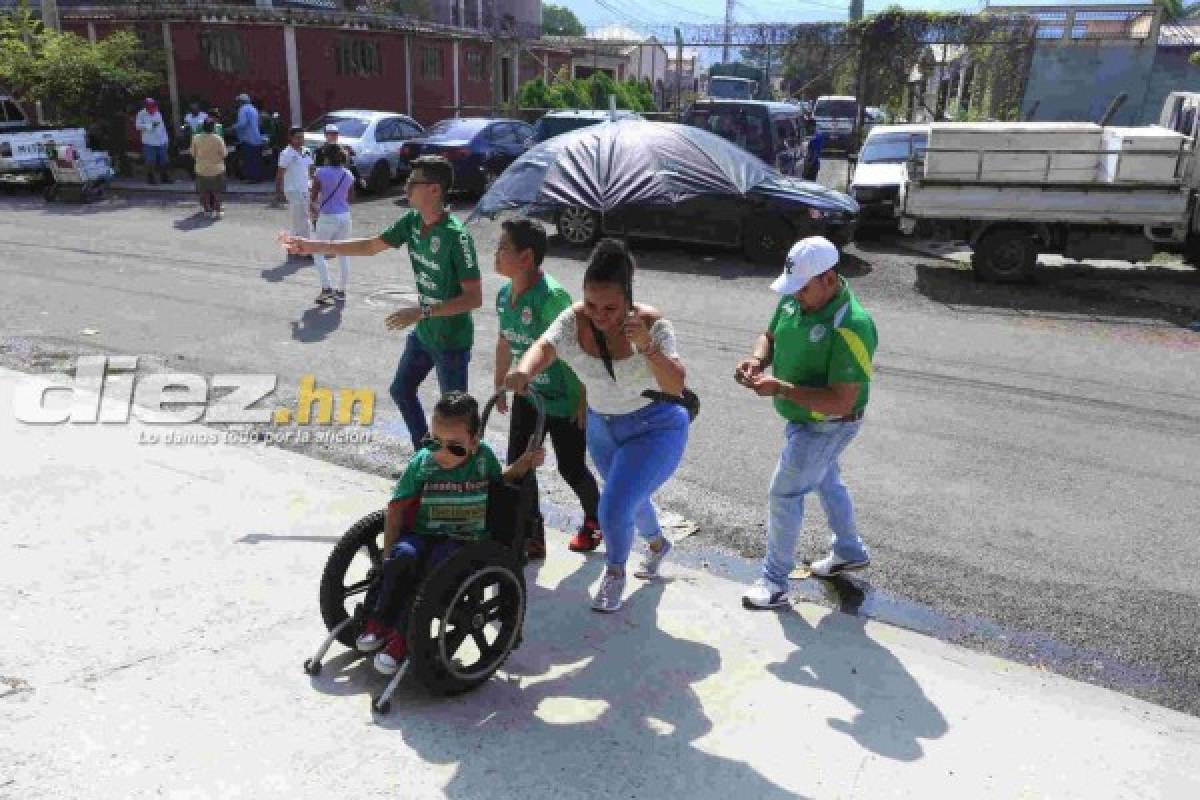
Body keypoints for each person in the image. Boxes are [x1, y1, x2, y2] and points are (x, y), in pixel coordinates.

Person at [505, 239, 690, 613]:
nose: (599, 314)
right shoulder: (575, 319)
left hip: (655, 427)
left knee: (612, 507)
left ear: (628, 301)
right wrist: (523, 370)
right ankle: (657, 545)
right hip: (602, 428)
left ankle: (615, 572)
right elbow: (545, 345)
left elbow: (675, 385)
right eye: (591, 304)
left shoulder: (653, 324)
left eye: (611, 307)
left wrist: (647, 347)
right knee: (627, 500)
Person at [279, 155, 482, 450]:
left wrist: (422, 311)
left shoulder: (456, 237)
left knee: (457, 419)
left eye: (414, 182)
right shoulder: (412, 222)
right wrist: (314, 246)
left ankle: (468, 475)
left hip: (451, 340)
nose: (407, 186)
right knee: (401, 390)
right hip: (425, 333)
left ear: (434, 190)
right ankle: (425, 455)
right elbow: (370, 246)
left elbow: (474, 298)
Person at [355, 391, 544, 674]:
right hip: (423, 534)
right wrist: (386, 556)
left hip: (463, 542)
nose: (442, 454)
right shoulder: (423, 462)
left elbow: (501, 485)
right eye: (434, 442)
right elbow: (395, 508)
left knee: (432, 572)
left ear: (474, 441)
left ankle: (403, 639)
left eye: (455, 447)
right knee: (402, 557)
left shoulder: (483, 459)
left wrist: (523, 465)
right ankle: (379, 623)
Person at [735, 236, 878, 610]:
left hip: (830, 423)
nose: (795, 296)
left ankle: (774, 581)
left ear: (829, 279)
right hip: (806, 419)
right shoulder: (797, 295)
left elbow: (841, 399)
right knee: (826, 481)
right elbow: (769, 335)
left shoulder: (853, 325)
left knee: (784, 492)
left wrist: (780, 389)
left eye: (802, 289)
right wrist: (756, 360)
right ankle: (849, 550)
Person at [493, 217, 602, 560]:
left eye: (502, 248)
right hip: (529, 396)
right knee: (520, 464)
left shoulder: (552, 297)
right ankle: (531, 535)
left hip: (565, 400)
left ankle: (595, 521)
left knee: (571, 468)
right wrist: (501, 383)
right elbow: (505, 341)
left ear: (526, 258)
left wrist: (585, 396)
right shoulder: (503, 295)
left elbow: (580, 347)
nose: (495, 254)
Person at [309, 144, 355, 305]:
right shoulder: (348, 174)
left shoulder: (320, 172)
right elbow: (350, 197)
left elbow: (313, 195)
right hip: (345, 216)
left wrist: (313, 210)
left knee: (317, 252)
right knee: (343, 253)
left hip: (328, 216)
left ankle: (326, 288)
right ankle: (341, 291)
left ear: (327, 157)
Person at [275, 126, 314, 245]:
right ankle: (303, 246)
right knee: (302, 221)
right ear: (290, 138)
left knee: (302, 220)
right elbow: (280, 173)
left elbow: (310, 169)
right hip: (294, 191)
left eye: (302, 137)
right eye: (297, 137)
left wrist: (312, 185)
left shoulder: (307, 151)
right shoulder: (286, 153)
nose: (300, 140)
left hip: (305, 189)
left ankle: (296, 246)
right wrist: (279, 192)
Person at [190, 118, 227, 219]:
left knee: (204, 191)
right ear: (213, 127)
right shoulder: (218, 138)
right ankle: (218, 211)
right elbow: (224, 154)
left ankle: (207, 210)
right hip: (216, 169)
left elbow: (193, 153)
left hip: (201, 169)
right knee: (217, 191)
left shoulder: (196, 138)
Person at [135, 98, 171, 185]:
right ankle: (150, 178)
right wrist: (150, 126)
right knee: (150, 161)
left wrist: (166, 139)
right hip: (149, 142)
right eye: (151, 106)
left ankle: (164, 178)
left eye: (154, 106)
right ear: (146, 107)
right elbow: (137, 126)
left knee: (164, 160)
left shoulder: (158, 113)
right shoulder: (141, 114)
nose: (153, 108)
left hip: (161, 140)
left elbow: (162, 127)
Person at [233, 93, 265, 182]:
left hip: (248, 138)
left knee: (249, 159)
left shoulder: (243, 109)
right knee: (256, 159)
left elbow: (242, 124)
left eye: (238, 102)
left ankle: (252, 178)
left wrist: (233, 127)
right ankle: (258, 177)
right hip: (256, 137)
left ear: (241, 102)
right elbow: (259, 123)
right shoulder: (253, 109)